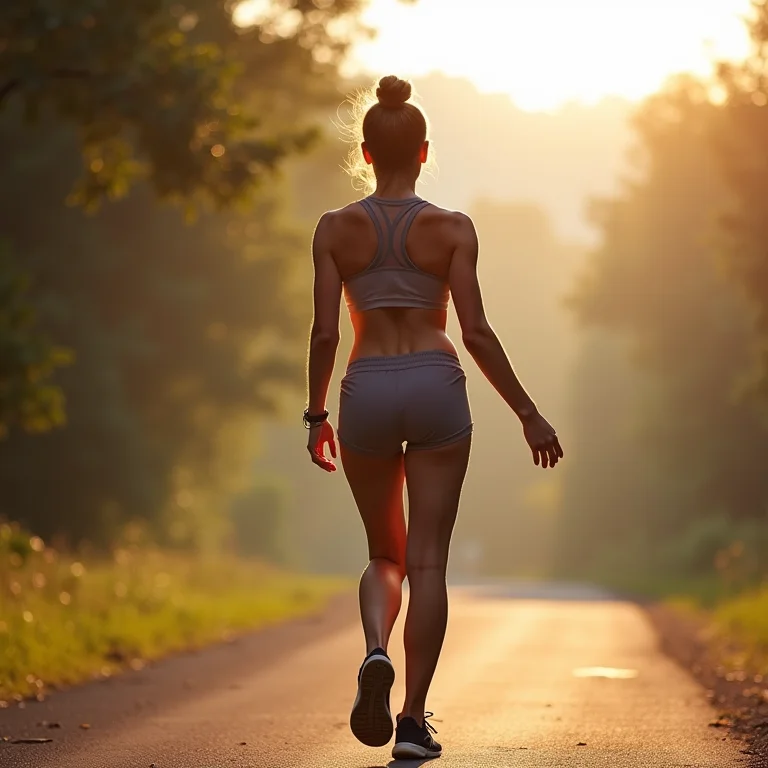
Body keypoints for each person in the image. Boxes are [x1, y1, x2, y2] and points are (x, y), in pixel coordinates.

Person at [304, 75, 563, 760]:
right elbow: (475, 332)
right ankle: (413, 722)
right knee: (428, 561)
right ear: (424, 152)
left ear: (365, 153)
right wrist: (528, 414)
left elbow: (325, 333)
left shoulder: (334, 229)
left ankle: (376, 649)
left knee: (384, 554)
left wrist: (316, 413)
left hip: (366, 386)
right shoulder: (452, 229)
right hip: (435, 384)